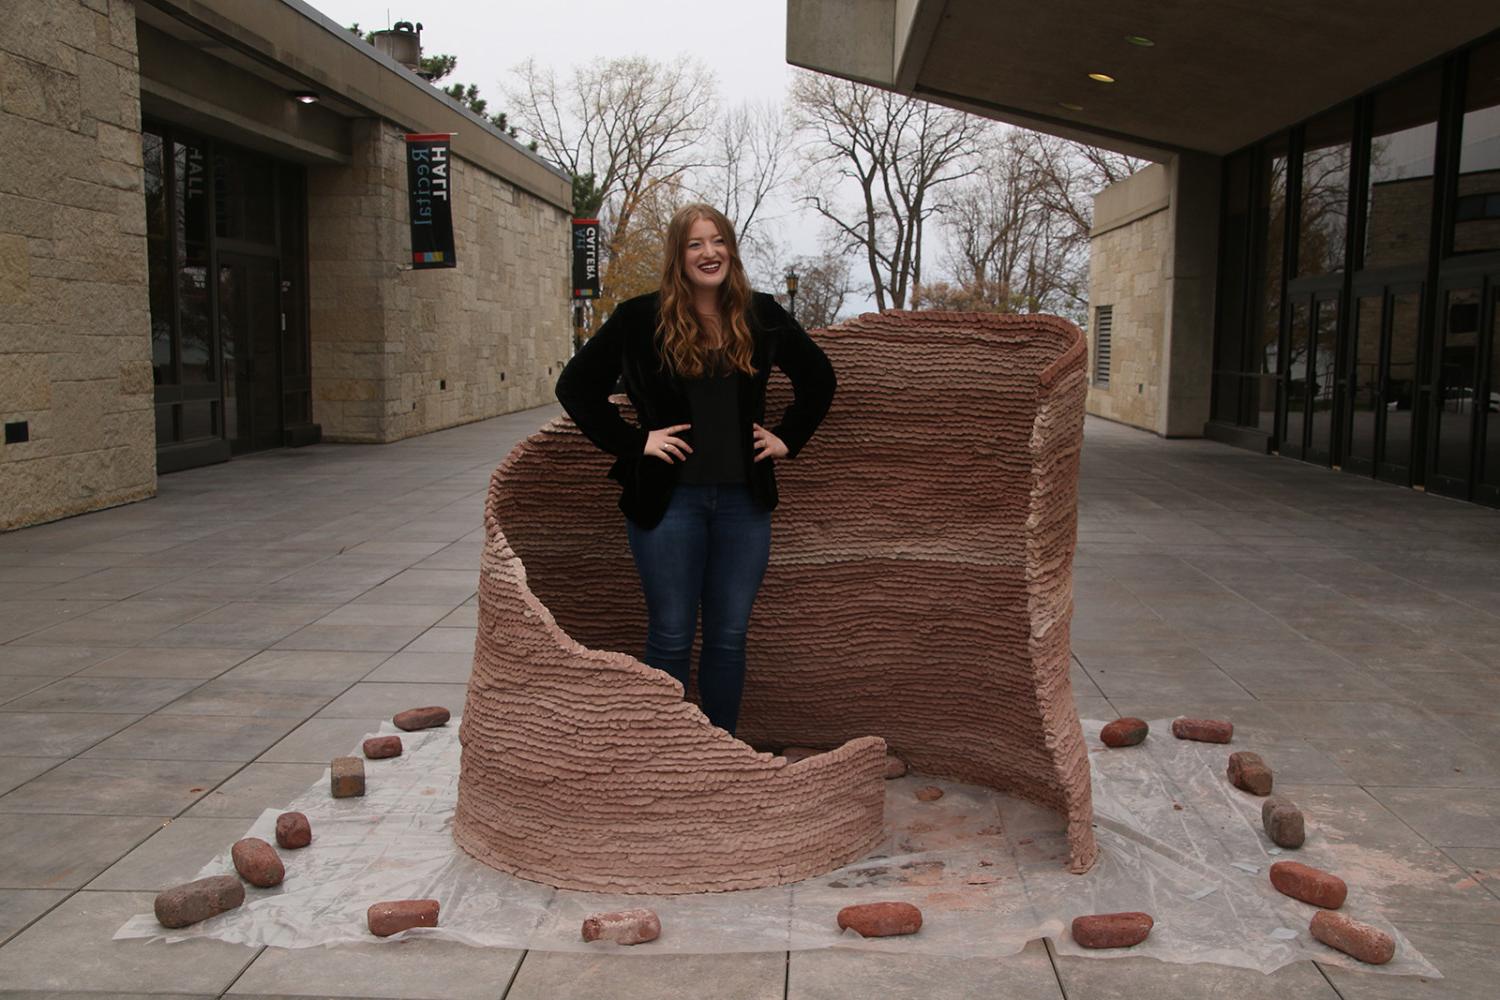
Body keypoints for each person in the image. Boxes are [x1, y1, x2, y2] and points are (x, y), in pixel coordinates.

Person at [555, 203, 836, 736]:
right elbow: (576, 387)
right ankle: (669, 756)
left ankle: (721, 752)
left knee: (729, 636)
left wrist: (787, 438)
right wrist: (635, 442)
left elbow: (819, 380)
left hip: (742, 505)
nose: (709, 253)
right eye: (695, 244)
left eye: (717, 241)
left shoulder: (762, 313)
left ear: (730, 247)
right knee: (671, 635)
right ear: (678, 256)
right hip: (668, 505)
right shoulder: (640, 318)